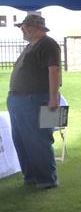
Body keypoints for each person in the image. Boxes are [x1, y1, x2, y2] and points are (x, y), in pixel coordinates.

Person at [7, 12, 61, 190]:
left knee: (39, 140)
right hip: (19, 100)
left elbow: (54, 70)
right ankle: (31, 176)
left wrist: (53, 98)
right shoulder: (30, 45)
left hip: (36, 99)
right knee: (21, 139)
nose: (22, 29)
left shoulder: (48, 44)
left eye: (26, 26)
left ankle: (47, 180)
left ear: (38, 28)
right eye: (22, 27)